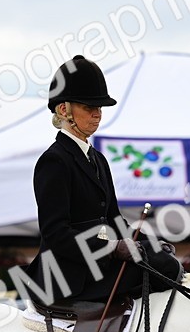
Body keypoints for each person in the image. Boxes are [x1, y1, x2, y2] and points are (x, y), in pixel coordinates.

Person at [21, 55, 181, 307]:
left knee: (164, 262)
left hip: (98, 266)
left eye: (100, 109)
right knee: (159, 271)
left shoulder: (98, 159)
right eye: (89, 107)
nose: (97, 115)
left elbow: (114, 220)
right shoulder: (54, 161)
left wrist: (149, 245)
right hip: (68, 276)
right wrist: (113, 248)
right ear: (64, 110)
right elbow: (56, 234)